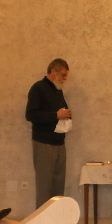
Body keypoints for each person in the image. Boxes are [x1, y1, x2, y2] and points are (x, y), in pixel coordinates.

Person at [25, 58, 72, 209]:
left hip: (59, 143)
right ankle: (41, 222)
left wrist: (66, 114)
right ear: (53, 71)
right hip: (44, 143)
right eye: (63, 75)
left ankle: (56, 220)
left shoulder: (58, 90)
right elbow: (30, 115)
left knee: (58, 187)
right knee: (44, 187)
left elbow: (59, 112)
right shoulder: (38, 88)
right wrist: (55, 115)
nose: (65, 78)